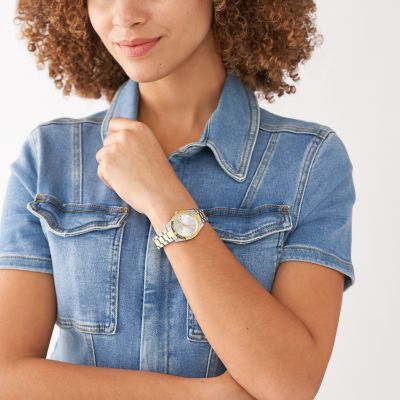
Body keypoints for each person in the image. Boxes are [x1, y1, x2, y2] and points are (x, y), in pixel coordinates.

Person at [0, 1, 356, 399]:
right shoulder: (49, 157)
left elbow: (289, 384)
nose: (124, 15)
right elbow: (7, 377)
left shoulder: (308, 161)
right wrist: (202, 395)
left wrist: (164, 198)